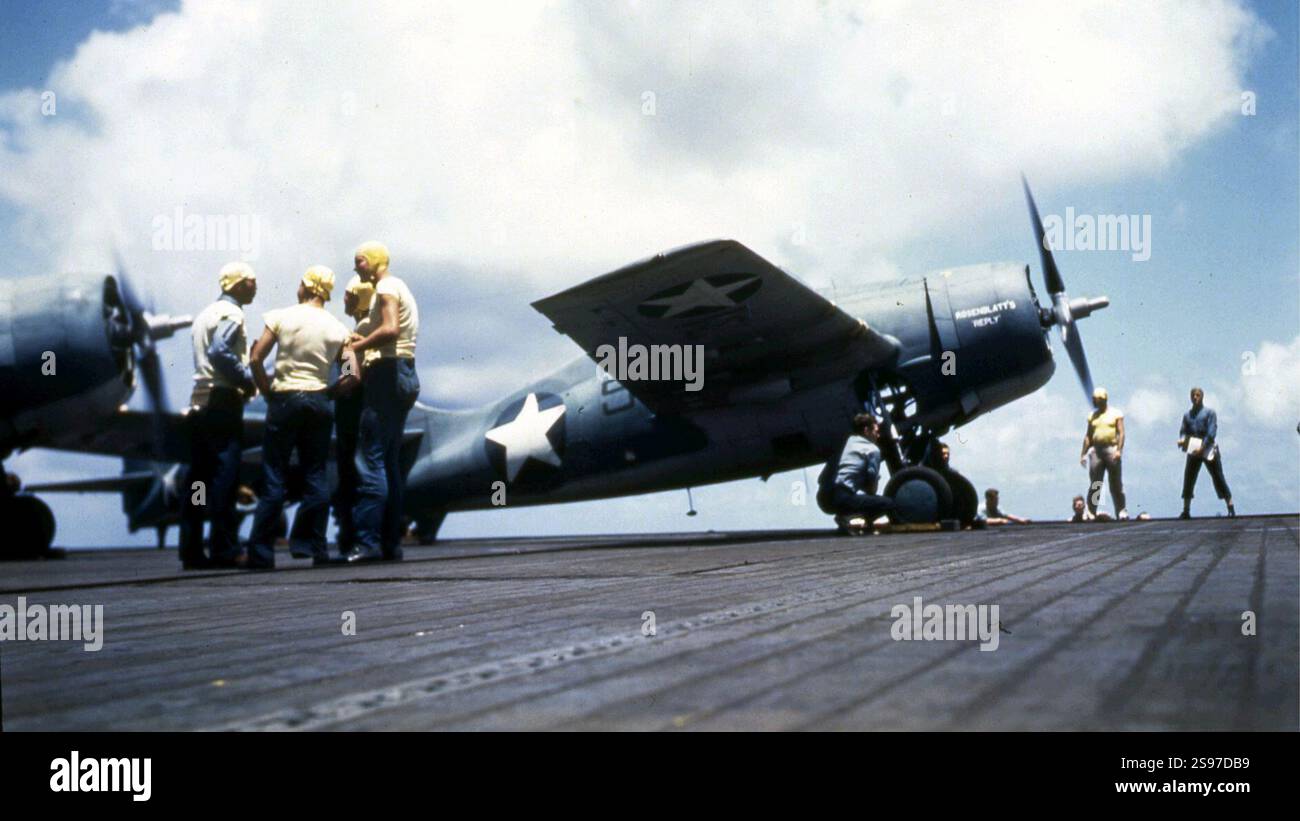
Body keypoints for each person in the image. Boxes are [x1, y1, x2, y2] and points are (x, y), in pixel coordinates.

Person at [245, 266, 351, 568]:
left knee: (274, 475)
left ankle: (261, 553)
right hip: (318, 401)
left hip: (284, 399)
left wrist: (267, 392)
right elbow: (352, 374)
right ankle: (316, 549)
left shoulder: (281, 317)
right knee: (316, 475)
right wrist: (330, 393)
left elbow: (256, 358)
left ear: (306, 287)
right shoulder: (338, 328)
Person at [345, 241, 420, 562]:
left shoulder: (387, 286)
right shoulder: (399, 287)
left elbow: (390, 328)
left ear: (374, 261)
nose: (356, 267)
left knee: (371, 460)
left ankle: (367, 543)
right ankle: (392, 543)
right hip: (403, 372)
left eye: (359, 261)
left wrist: (359, 346)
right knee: (388, 463)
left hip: (386, 375)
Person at [180, 262, 257, 570]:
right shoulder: (232, 314)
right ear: (237, 285)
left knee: (197, 478)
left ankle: (191, 548)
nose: (255, 287)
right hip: (223, 400)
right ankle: (225, 547)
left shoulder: (203, 315)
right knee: (225, 475)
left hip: (199, 401)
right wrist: (246, 380)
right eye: (251, 282)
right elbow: (220, 351)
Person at [331, 275, 375, 558]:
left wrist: (327, 392)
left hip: (352, 419)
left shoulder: (354, 336)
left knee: (350, 476)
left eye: (348, 295)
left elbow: (350, 378)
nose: (344, 299)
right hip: (373, 415)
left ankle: (351, 537)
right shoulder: (376, 331)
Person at [816, 413, 896, 534]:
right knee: (888, 503)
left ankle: (847, 517)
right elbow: (872, 491)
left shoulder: (845, 443)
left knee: (854, 499)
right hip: (842, 497)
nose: (878, 435)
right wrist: (873, 479)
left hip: (823, 498)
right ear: (866, 431)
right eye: (876, 431)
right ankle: (853, 519)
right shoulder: (872, 450)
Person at [1178, 386, 1235, 518]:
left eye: (1197, 395)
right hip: (1193, 449)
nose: (1195, 398)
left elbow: (1211, 432)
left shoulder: (1210, 413)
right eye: (1193, 395)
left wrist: (1202, 447)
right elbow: (1183, 431)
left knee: (1218, 477)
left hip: (1208, 449)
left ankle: (1230, 505)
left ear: (1202, 397)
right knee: (1189, 479)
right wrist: (1182, 441)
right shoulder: (1187, 415)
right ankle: (1186, 510)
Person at [1081, 387, 1127, 520]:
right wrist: (1083, 454)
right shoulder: (1092, 416)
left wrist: (1119, 450)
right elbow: (1088, 435)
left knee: (1115, 483)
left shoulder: (1116, 414)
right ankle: (1091, 511)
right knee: (1096, 483)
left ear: (1103, 400)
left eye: (1097, 400)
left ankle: (1121, 510)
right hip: (1096, 451)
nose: (1095, 402)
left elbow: (1121, 433)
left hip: (1111, 449)